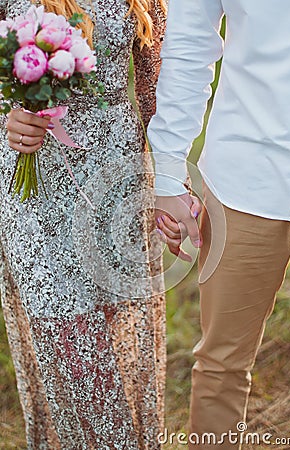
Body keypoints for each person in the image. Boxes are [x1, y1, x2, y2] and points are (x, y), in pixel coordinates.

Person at [0, 0, 167, 448]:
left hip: (116, 181)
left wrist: (173, 185)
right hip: (36, 194)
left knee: (121, 343)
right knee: (73, 346)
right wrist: (10, 117)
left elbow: (160, 93)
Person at [148, 0, 290, 448]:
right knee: (222, 367)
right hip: (246, 175)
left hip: (247, 173)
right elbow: (188, 46)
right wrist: (169, 173)